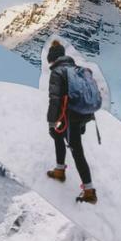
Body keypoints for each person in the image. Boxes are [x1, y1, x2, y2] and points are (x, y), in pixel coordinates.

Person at [44, 40, 98, 204]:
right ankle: (60, 170)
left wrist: (51, 121)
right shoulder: (76, 69)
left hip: (71, 116)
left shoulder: (57, 72)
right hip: (83, 114)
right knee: (58, 135)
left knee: (76, 150)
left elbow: (55, 99)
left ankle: (89, 192)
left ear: (52, 59)